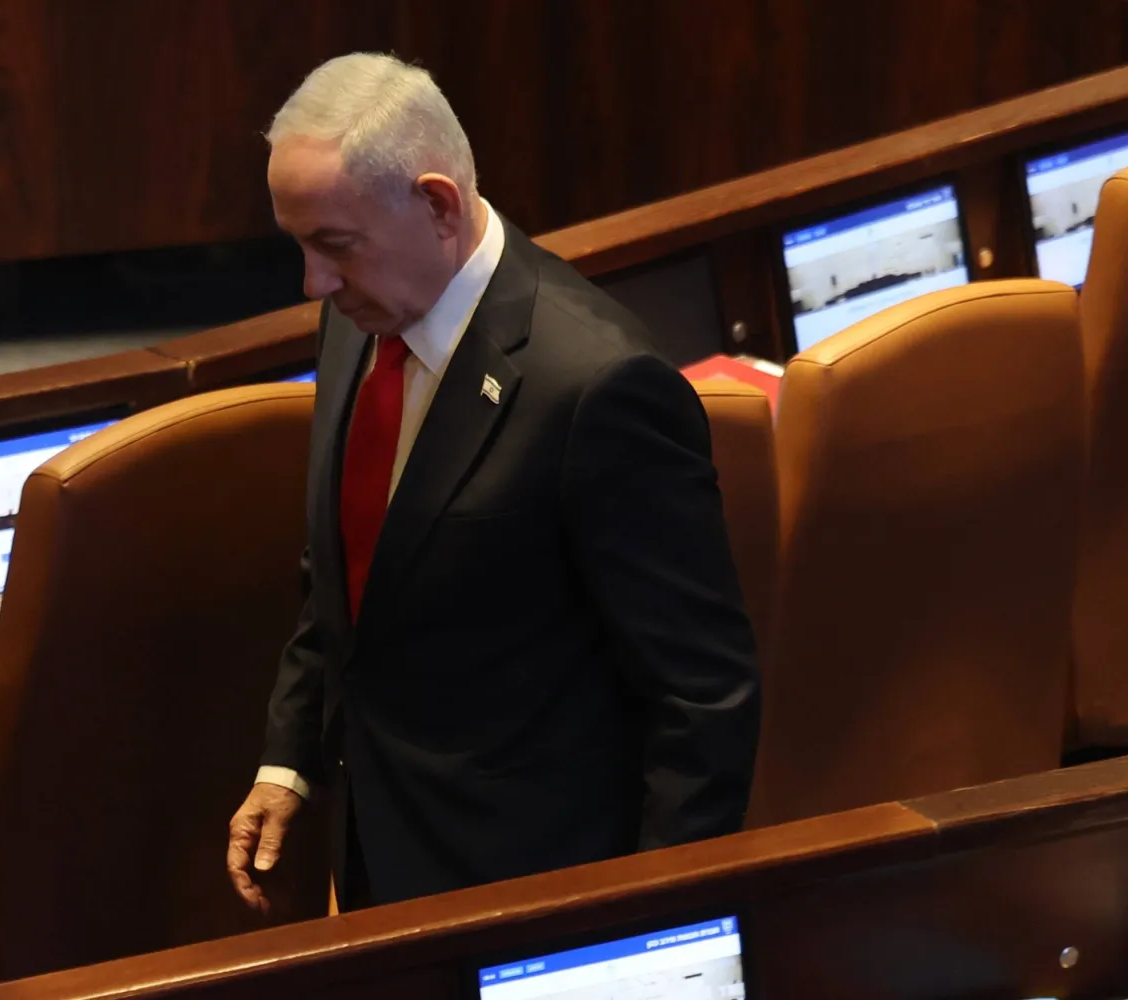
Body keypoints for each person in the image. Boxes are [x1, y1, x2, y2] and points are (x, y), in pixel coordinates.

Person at [227, 52, 760, 911]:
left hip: (532, 892)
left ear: (437, 204)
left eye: (333, 246)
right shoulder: (358, 315)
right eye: (299, 246)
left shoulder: (599, 385)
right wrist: (288, 763)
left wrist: (646, 933)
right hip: (379, 857)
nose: (313, 284)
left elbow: (703, 696)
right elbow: (342, 572)